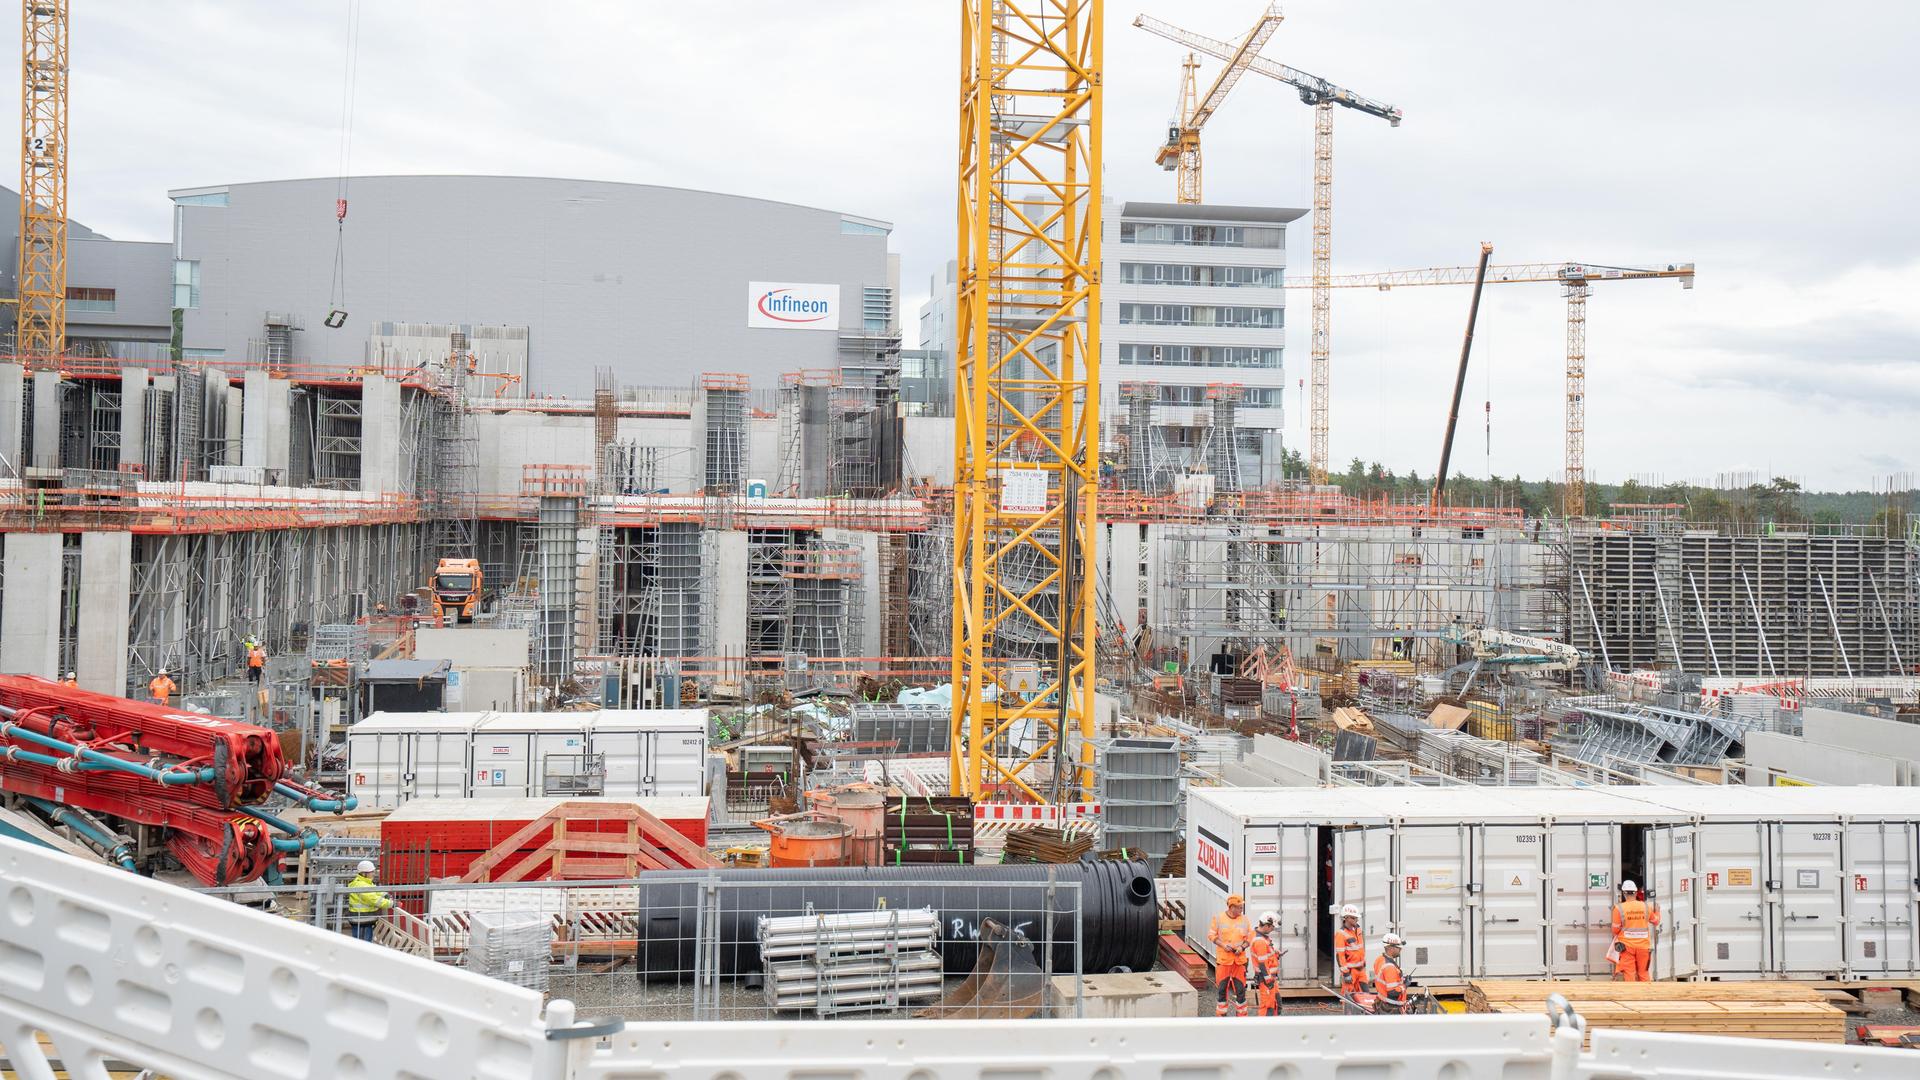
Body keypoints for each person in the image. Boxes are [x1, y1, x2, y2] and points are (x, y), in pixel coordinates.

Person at [1208, 892, 1253, 1017]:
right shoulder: (1218, 918)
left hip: (1239, 962)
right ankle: (1221, 1018)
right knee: (1222, 991)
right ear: (1232, 907)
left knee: (1241, 991)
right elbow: (1211, 935)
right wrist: (1223, 945)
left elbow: (1250, 937)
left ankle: (1241, 1019)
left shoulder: (1244, 919)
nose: (1242, 909)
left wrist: (1242, 947)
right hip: (1224, 961)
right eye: (1240, 907)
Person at [1610, 879, 1661, 982]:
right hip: (1643, 947)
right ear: (1636, 892)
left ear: (1624, 893)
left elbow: (1615, 931)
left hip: (1626, 948)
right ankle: (1646, 996)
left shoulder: (1618, 908)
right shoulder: (1646, 907)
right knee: (1644, 973)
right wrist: (1658, 912)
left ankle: (1631, 997)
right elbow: (1656, 922)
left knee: (1629, 974)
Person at [344, 859, 394, 943]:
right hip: (362, 920)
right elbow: (374, 899)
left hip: (364, 919)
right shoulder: (361, 885)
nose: (374, 874)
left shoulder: (364, 883)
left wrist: (384, 894)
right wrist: (391, 904)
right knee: (363, 944)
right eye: (372, 872)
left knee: (363, 943)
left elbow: (375, 891)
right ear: (365, 873)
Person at [1249, 911, 1283, 1016]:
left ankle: (1273, 1027)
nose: (1272, 930)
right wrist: (1268, 980)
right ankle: (1264, 1029)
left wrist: (1275, 954)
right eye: (1272, 927)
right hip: (1266, 979)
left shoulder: (1263, 937)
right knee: (1268, 1006)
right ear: (1267, 925)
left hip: (1270, 979)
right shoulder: (1260, 941)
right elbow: (1262, 964)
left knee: (1276, 1002)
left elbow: (1265, 957)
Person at [1370, 933, 1409, 1013]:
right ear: (1391, 948)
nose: (1400, 950)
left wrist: (1401, 980)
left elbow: (1386, 981)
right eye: (1398, 948)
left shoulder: (1380, 959)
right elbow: (1392, 993)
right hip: (1391, 1008)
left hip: (1382, 1003)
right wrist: (1405, 985)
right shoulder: (1389, 967)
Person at [1334, 904, 1368, 997]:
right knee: (1349, 998)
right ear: (1347, 918)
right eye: (1354, 918)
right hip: (1350, 972)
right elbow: (1340, 956)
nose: (1356, 920)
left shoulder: (1358, 929)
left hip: (1361, 970)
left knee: (1365, 995)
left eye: (1357, 918)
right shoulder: (1341, 934)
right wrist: (1346, 974)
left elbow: (1360, 949)